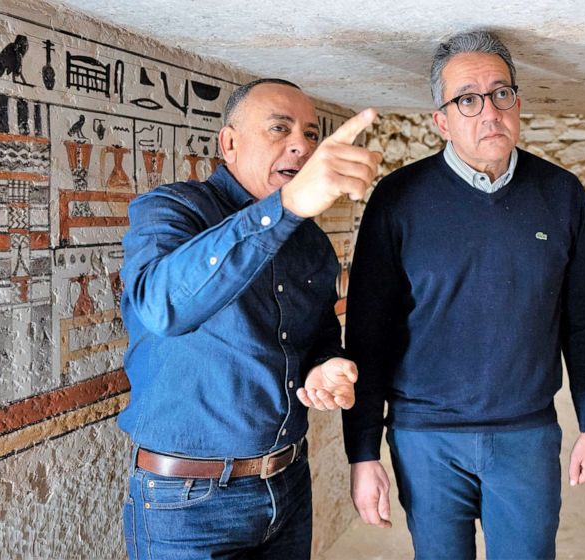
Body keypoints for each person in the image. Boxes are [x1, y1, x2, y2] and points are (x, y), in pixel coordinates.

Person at [343, 30, 585, 558]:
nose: (488, 111)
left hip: (526, 435)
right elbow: (368, 335)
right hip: (425, 439)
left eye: (500, 93)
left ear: (517, 102)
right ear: (442, 119)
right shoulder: (398, 200)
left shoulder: (561, 195)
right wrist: (363, 453)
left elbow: (584, 320)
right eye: (467, 99)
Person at [117, 78, 382, 558]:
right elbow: (162, 307)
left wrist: (326, 365)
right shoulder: (172, 209)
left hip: (288, 486)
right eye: (280, 128)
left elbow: (319, 333)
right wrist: (282, 209)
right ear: (230, 143)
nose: (301, 144)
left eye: (310, 133)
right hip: (188, 505)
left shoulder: (311, 243)